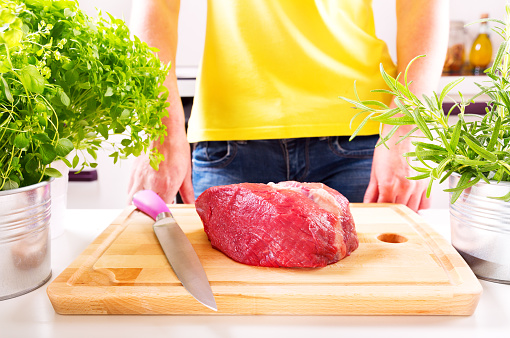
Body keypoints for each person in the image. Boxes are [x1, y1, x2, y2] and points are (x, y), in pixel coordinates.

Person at [127, 0, 449, 212]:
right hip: (230, 141)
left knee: (373, 301)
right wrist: (161, 130)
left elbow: (422, 6)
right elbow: (156, 8)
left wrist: (407, 126)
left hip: (363, 138)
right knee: (225, 306)